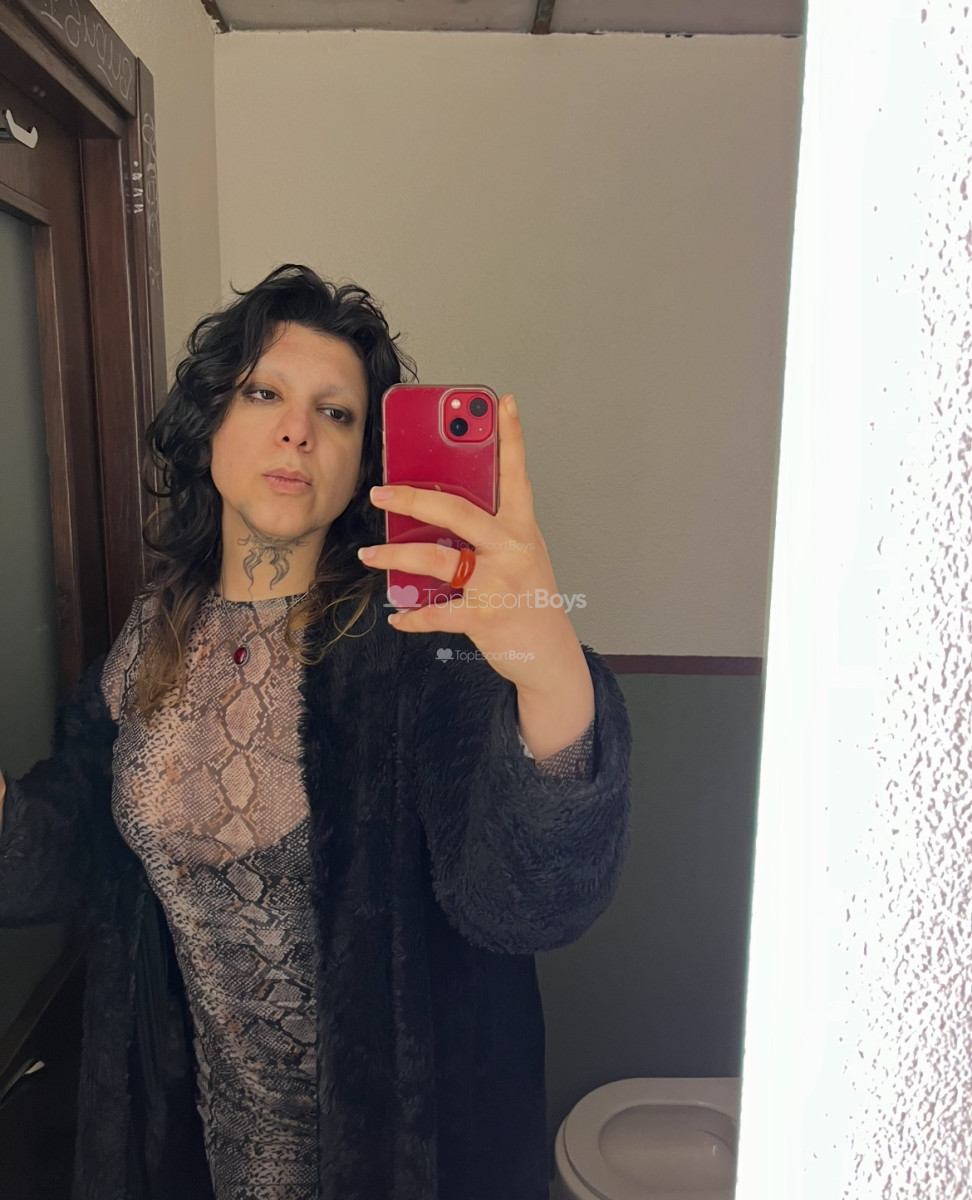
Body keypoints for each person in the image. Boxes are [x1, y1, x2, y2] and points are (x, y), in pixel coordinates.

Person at [0, 264, 632, 1200]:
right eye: (265, 393)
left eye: (336, 413)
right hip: (197, 1150)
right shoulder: (152, 630)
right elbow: (73, 848)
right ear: (211, 422)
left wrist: (550, 672)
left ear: (362, 461)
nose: (298, 429)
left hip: (394, 1161)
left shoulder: (418, 641)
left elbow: (526, 905)